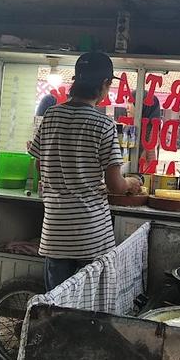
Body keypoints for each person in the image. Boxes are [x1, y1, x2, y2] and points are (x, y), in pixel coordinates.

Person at [29, 52, 142, 291]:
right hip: (90, 235)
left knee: (57, 308)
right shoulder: (103, 125)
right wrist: (132, 183)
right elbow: (115, 185)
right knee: (88, 311)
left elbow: (40, 165)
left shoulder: (50, 116)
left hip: (55, 232)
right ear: (104, 85)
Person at [126, 92, 161, 164]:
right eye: (127, 103)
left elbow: (150, 158)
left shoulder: (150, 131)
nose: (127, 107)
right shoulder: (130, 127)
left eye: (130, 102)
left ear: (143, 105)